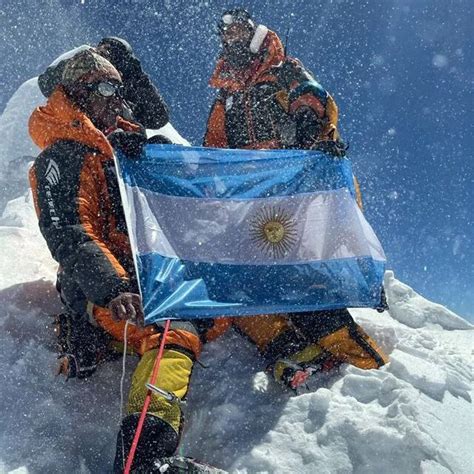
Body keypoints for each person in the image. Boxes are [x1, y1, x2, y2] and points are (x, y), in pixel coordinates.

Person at [28, 50, 199, 473]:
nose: (116, 100)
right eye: (106, 89)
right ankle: (145, 457)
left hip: (143, 279)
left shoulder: (124, 151)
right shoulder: (62, 157)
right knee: (169, 333)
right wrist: (114, 287)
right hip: (101, 287)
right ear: (81, 94)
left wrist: (159, 161)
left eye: (119, 91)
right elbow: (69, 231)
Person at [204, 8, 388, 387]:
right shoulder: (227, 97)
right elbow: (214, 143)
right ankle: (285, 344)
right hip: (251, 195)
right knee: (247, 276)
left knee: (300, 269)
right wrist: (205, 175)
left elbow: (312, 97)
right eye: (226, 34)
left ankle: (360, 361)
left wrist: (310, 127)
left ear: (254, 33)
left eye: (238, 29)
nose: (231, 38)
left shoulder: (283, 70)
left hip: (292, 185)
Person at [38, 36, 169, 130]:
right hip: (84, 138)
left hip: (120, 147)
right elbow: (46, 83)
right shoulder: (84, 74)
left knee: (160, 143)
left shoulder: (125, 91)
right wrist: (89, 59)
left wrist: (137, 76)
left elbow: (158, 118)